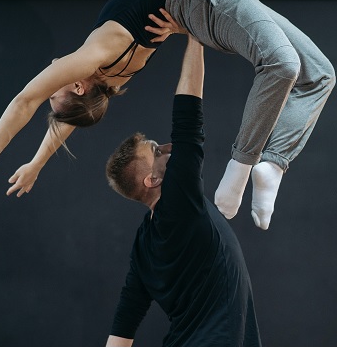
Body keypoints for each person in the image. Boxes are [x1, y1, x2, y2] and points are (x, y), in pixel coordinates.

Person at [0, 0, 335, 230]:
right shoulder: (94, 57)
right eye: (56, 90)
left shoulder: (113, 75)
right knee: (282, 65)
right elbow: (26, 100)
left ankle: (274, 162)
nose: (52, 74)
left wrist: (37, 163)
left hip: (203, 4)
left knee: (319, 74)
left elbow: (69, 120)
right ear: (76, 85)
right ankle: (242, 168)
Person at [104, 32, 260, 346]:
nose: (162, 149)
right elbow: (188, 116)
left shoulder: (144, 242)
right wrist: (195, 34)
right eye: (154, 151)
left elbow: (127, 315)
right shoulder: (179, 204)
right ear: (153, 180)